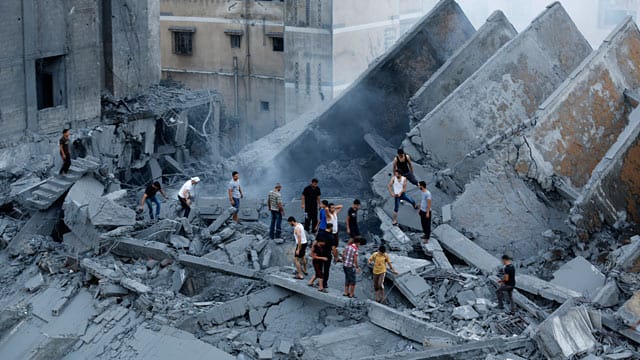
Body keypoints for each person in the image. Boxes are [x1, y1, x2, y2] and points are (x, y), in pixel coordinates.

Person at [317, 223, 339, 291]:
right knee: (326, 270)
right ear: (331, 227)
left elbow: (316, 242)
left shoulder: (320, 233)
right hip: (327, 254)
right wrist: (336, 257)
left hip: (319, 254)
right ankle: (324, 284)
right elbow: (333, 248)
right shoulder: (332, 237)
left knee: (320, 268)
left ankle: (319, 282)